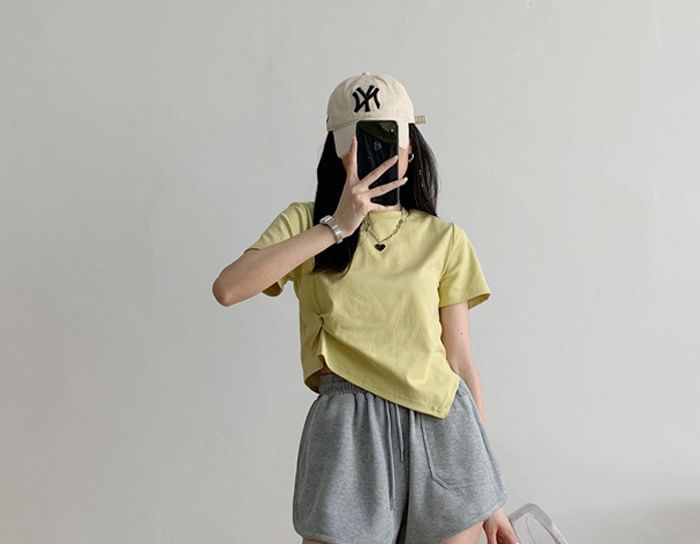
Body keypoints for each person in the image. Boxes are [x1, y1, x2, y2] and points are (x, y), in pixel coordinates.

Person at [213, 73, 519, 544]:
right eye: (360, 142)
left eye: (387, 139)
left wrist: (488, 490)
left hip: (443, 430)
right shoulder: (306, 222)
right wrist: (336, 226)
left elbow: (459, 361)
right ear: (338, 151)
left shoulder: (443, 238)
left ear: (411, 147)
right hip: (347, 430)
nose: (376, 154)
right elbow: (229, 288)